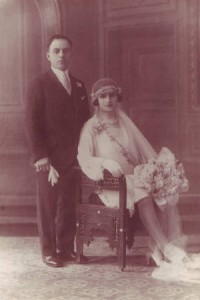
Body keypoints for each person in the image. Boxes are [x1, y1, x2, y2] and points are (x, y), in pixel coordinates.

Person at [77, 78, 200, 282]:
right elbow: (83, 157)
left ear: (118, 97)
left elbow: (144, 151)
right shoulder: (90, 127)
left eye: (112, 95)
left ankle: (156, 249)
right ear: (96, 101)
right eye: (103, 96)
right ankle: (165, 247)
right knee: (143, 191)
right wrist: (105, 162)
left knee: (162, 191)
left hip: (134, 181)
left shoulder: (124, 122)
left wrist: (158, 170)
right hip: (109, 188)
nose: (108, 100)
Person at [26, 34, 90, 267]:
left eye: (65, 50)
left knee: (68, 205)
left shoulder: (79, 85)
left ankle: (65, 247)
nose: (61, 55)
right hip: (49, 159)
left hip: (74, 157)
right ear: (48, 55)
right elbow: (32, 122)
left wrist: (84, 154)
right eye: (56, 51)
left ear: (71, 53)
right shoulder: (39, 83)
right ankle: (48, 251)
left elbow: (85, 122)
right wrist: (40, 156)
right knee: (47, 205)